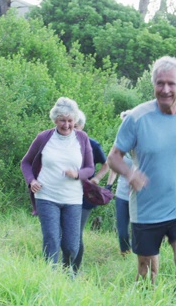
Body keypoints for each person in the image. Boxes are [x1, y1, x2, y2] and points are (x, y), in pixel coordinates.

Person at [107, 56, 176, 296]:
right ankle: (148, 300)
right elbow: (114, 157)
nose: (165, 89)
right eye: (160, 83)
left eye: (171, 84)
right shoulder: (136, 118)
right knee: (146, 272)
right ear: (153, 85)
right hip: (146, 208)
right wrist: (129, 172)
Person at [20, 97, 94, 271]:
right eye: (62, 120)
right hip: (46, 196)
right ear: (55, 120)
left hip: (73, 198)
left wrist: (78, 174)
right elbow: (26, 163)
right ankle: (49, 278)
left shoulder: (82, 138)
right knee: (52, 239)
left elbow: (90, 168)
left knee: (71, 246)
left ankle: (68, 275)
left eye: (70, 120)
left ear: (75, 120)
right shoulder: (44, 138)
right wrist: (31, 181)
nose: (67, 125)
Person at [72, 110, 112, 271]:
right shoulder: (61, 142)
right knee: (61, 231)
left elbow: (107, 163)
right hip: (64, 192)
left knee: (76, 232)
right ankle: (60, 266)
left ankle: (74, 270)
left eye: (76, 125)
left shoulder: (92, 144)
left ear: (82, 125)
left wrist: (97, 179)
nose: (72, 129)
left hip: (85, 195)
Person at [106, 110, 134, 257]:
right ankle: (125, 253)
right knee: (122, 229)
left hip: (139, 196)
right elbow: (114, 167)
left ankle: (138, 256)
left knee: (138, 229)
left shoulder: (142, 146)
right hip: (122, 194)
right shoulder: (120, 147)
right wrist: (109, 185)